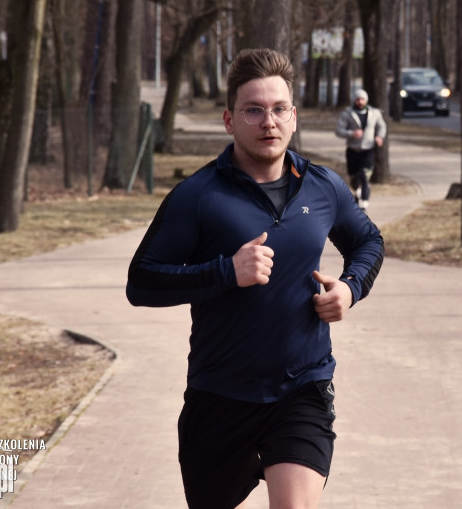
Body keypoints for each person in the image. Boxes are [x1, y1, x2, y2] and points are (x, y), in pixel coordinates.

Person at [127, 49, 384, 509]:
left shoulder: (322, 186)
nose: (269, 122)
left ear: (293, 117)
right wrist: (226, 272)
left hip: (302, 386)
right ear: (229, 120)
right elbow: (141, 281)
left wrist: (350, 287)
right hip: (219, 395)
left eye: (279, 109)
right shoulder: (197, 195)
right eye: (253, 110)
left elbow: (368, 241)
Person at [335, 89, 387, 212]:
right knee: (354, 178)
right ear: (354, 100)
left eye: (362, 99)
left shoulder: (374, 113)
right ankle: (357, 191)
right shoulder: (347, 113)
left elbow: (382, 127)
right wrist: (351, 133)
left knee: (364, 175)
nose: (360, 101)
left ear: (366, 100)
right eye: (358, 99)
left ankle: (364, 202)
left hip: (368, 150)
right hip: (353, 150)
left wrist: (380, 137)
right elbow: (338, 130)